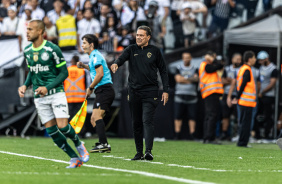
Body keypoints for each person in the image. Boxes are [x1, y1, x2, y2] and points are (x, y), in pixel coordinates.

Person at [18, 19, 89, 168]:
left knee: (63, 127)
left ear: (40, 32)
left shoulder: (52, 49)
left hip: (56, 93)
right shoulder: (27, 50)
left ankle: (78, 143)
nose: (27, 32)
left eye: (30, 29)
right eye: (27, 29)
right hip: (39, 97)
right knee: (52, 132)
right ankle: (74, 158)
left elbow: (64, 73)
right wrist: (25, 85)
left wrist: (47, 87)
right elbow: (32, 70)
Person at [111, 25, 169, 161]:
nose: (138, 37)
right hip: (134, 91)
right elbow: (121, 58)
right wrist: (115, 64)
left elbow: (163, 71)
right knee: (136, 122)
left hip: (150, 91)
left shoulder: (154, 51)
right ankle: (139, 152)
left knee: (147, 120)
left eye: (142, 35)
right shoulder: (131, 49)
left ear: (148, 37)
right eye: (137, 35)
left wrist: (165, 90)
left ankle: (148, 151)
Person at [77, 34, 115, 153]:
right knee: (93, 119)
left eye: (84, 43)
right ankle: (102, 143)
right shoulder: (94, 56)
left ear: (91, 44)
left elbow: (100, 74)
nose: (82, 45)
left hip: (104, 90)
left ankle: (104, 144)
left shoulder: (96, 56)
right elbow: (94, 69)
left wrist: (90, 87)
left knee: (97, 117)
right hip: (102, 90)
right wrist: (84, 66)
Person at [227, 51, 257, 147]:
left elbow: (238, 84)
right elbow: (243, 84)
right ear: (249, 59)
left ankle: (242, 141)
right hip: (246, 101)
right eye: (254, 58)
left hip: (243, 100)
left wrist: (237, 96)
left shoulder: (241, 69)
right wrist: (237, 96)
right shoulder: (247, 69)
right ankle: (243, 142)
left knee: (243, 122)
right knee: (246, 123)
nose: (255, 60)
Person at [199, 51, 224, 144]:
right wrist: (213, 59)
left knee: (209, 116)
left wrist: (214, 59)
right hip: (210, 93)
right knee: (212, 115)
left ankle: (207, 137)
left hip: (211, 93)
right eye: (213, 56)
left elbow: (220, 65)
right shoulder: (205, 64)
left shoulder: (207, 64)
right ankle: (209, 138)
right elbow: (218, 66)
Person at [174, 52, 198, 140]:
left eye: (188, 57)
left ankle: (192, 135)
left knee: (192, 116)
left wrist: (184, 79)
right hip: (179, 95)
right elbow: (178, 79)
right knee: (178, 115)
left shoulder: (195, 68)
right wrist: (190, 79)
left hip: (192, 95)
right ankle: (177, 134)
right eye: (185, 57)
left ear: (191, 58)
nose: (186, 59)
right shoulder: (179, 68)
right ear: (182, 58)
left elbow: (196, 79)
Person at [220, 53, 242, 140]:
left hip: (238, 94)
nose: (238, 61)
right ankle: (224, 133)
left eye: (240, 59)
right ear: (232, 59)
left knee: (238, 116)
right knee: (226, 115)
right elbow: (222, 81)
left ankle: (237, 134)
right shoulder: (227, 69)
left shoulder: (242, 69)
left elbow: (240, 82)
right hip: (226, 94)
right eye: (237, 59)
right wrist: (232, 81)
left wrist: (231, 81)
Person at [256, 51, 278, 139]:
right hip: (260, 95)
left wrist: (262, 92)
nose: (260, 62)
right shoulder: (261, 68)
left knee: (268, 115)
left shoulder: (273, 69)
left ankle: (267, 134)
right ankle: (258, 134)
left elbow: (272, 84)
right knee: (258, 115)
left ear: (266, 59)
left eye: (262, 60)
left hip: (268, 96)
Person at [64, 55, 86, 122]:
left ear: (72, 61)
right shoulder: (82, 71)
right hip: (80, 97)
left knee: (68, 116)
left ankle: (69, 131)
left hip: (68, 97)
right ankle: (79, 132)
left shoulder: (67, 70)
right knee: (79, 117)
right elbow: (86, 83)